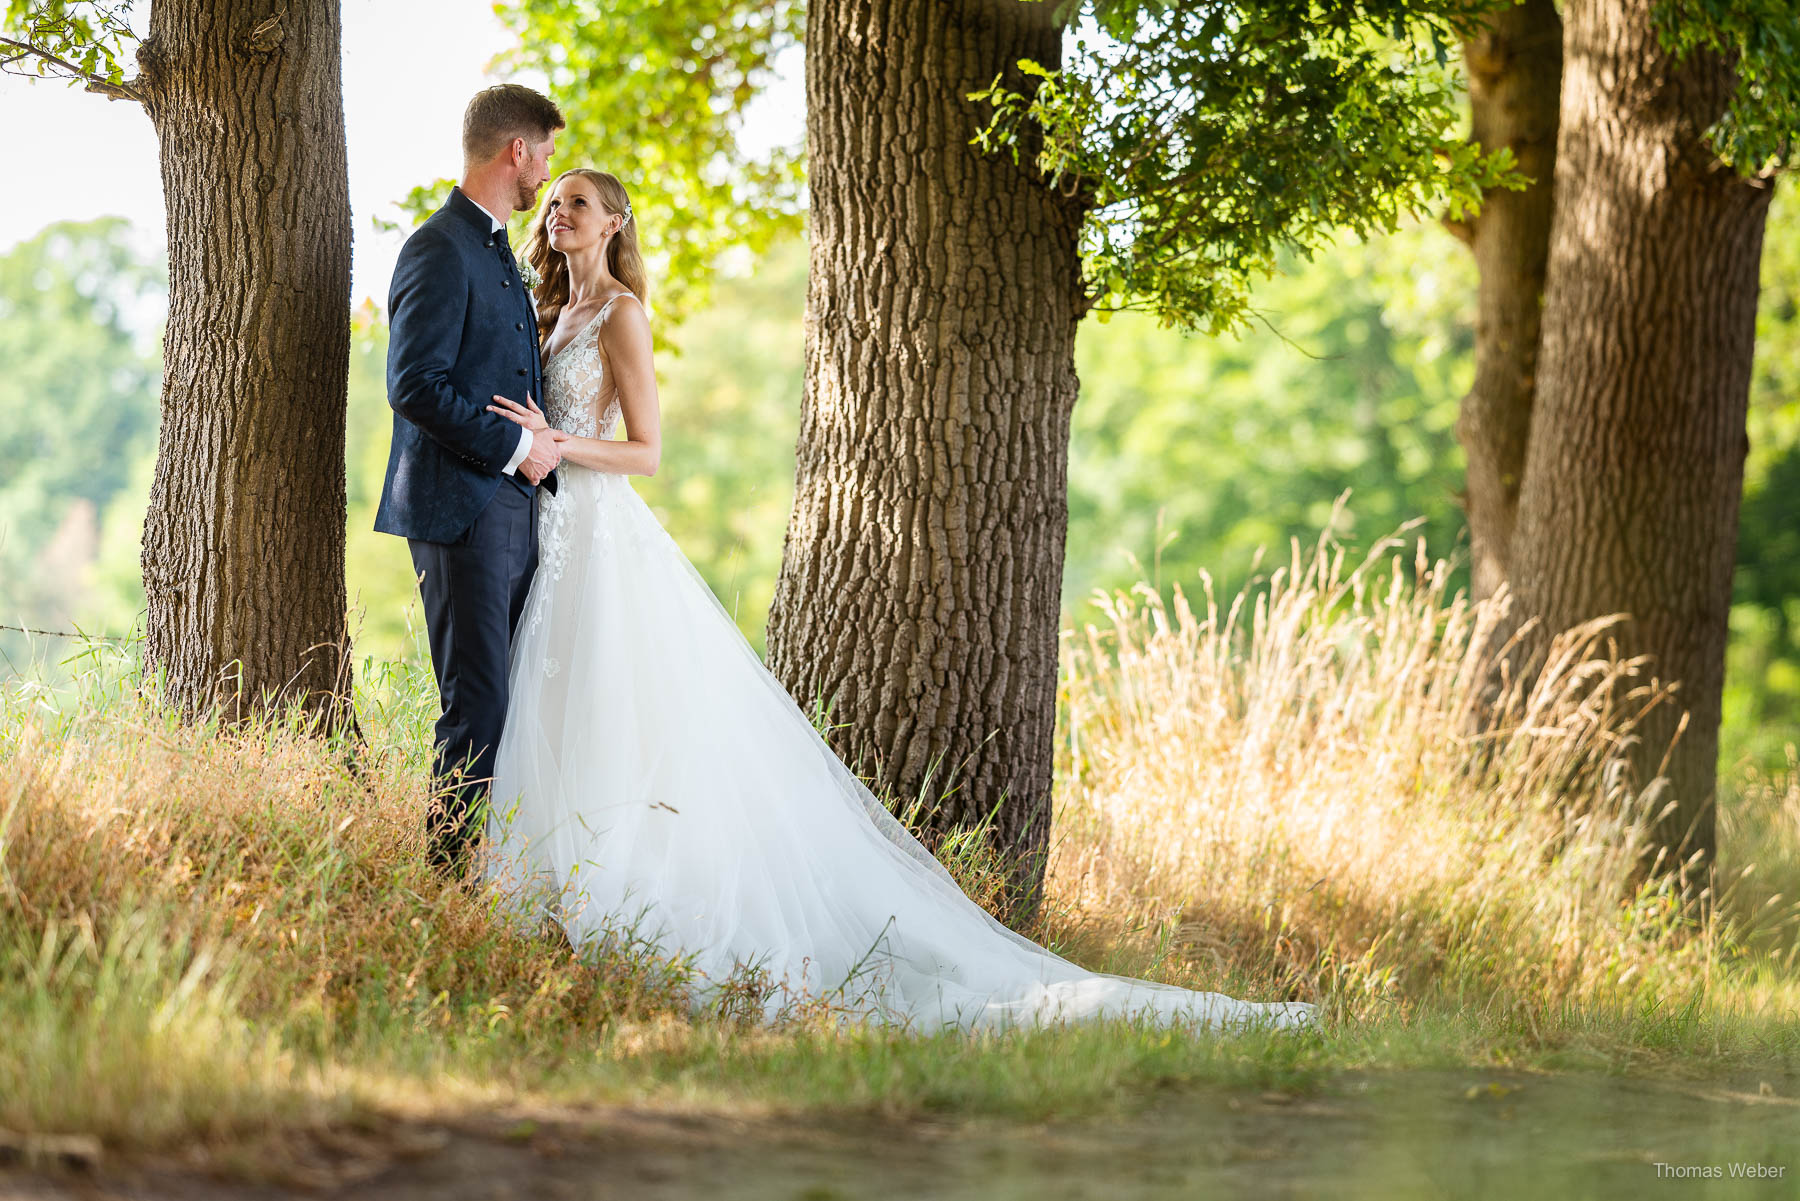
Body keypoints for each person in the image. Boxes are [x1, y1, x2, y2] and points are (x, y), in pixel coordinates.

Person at [484, 167, 1316, 1033]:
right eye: (555, 200)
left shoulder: (621, 313)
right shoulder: (547, 312)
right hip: (550, 528)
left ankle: (631, 904)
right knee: (555, 705)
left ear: (614, 221)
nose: (559, 211)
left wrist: (557, 440)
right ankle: (549, 903)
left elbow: (648, 451)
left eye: (578, 201)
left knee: (616, 710)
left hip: (601, 530)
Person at [375, 85, 566, 876]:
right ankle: (445, 884)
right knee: (477, 702)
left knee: (511, 701)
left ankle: (501, 875)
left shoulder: (496, 250)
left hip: (516, 514)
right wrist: (514, 449)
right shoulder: (437, 246)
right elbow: (413, 384)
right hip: (461, 510)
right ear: (515, 150)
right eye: (546, 152)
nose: (547, 170)